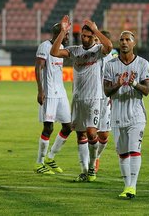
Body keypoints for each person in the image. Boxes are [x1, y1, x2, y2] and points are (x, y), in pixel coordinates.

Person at [50, 15, 113, 182]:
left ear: (93, 37)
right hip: (78, 99)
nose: (84, 39)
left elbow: (109, 46)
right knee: (80, 136)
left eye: (88, 36)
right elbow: (54, 52)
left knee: (92, 133)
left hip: (95, 98)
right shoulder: (74, 50)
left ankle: (92, 167)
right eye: (82, 36)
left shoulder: (98, 51)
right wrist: (63, 32)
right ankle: (84, 170)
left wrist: (97, 30)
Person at [103, 30, 149, 199]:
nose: (124, 42)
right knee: (122, 153)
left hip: (136, 115)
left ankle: (132, 187)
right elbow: (106, 91)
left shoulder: (143, 64)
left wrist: (134, 83)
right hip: (117, 115)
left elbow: (146, 91)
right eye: (121, 39)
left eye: (127, 40)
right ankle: (126, 186)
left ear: (133, 43)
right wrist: (118, 83)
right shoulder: (110, 65)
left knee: (134, 149)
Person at [34, 23, 72, 175]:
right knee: (48, 128)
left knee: (68, 127)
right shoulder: (44, 46)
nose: (68, 37)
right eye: (66, 34)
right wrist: (40, 90)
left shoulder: (60, 47)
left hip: (61, 92)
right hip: (49, 92)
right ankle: (39, 162)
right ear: (58, 33)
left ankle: (51, 157)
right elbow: (38, 67)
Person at [94, 30, 118, 173]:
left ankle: (97, 156)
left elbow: (116, 77)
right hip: (92, 97)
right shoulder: (92, 53)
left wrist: (114, 96)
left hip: (106, 98)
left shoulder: (113, 57)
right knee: (89, 132)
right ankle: (88, 164)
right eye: (95, 40)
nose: (96, 43)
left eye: (99, 40)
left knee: (103, 134)